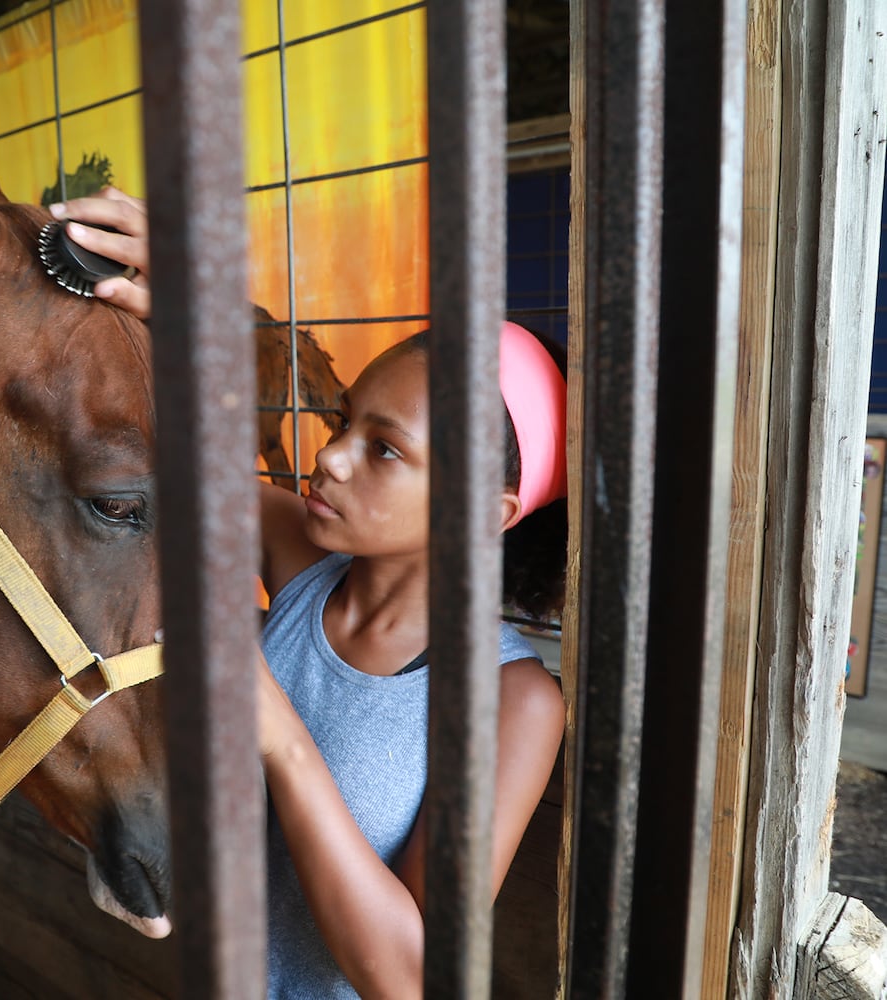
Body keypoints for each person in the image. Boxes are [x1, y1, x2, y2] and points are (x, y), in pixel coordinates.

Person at [50, 190, 568, 999]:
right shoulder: (302, 557)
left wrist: (282, 737)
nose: (330, 460)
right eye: (346, 424)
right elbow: (185, 465)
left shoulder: (513, 700)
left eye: (385, 450)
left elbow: (408, 976)